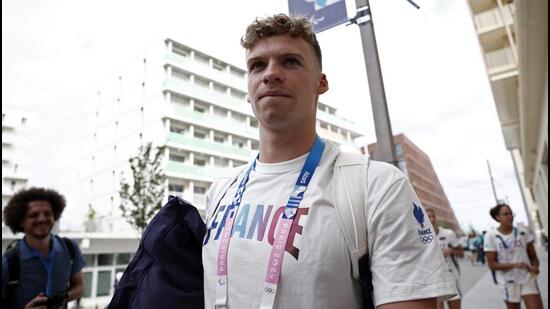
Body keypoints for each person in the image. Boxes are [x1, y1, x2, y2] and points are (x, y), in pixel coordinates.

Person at [202, 14, 456, 309]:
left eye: (290, 62)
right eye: (257, 65)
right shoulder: (221, 191)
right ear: (248, 88)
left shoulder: (377, 186)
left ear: (320, 84)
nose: (270, 74)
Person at [1, 187, 86, 309]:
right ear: (21, 222)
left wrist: (63, 297)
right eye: (34, 215)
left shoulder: (70, 248)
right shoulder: (9, 261)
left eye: (47, 214)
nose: (42, 219)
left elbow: (79, 287)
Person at [484, 203, 543, 309]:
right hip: (508, 281)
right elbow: (492, 265)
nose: (510, 216)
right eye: (506, 214)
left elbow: (533, 257)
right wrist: (515, 265)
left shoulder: (523, 232)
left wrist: (535, 267)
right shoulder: (491, 236)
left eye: (511, 214)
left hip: (526, 278)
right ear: (498, 217)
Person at [426, 209, 464, 309]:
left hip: (451, 277)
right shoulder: (424, 237)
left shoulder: (448, 234)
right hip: (435, 279)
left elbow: (461, 254)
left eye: (433, 216)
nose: (432, 219)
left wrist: (451, 251)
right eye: (428, 217)